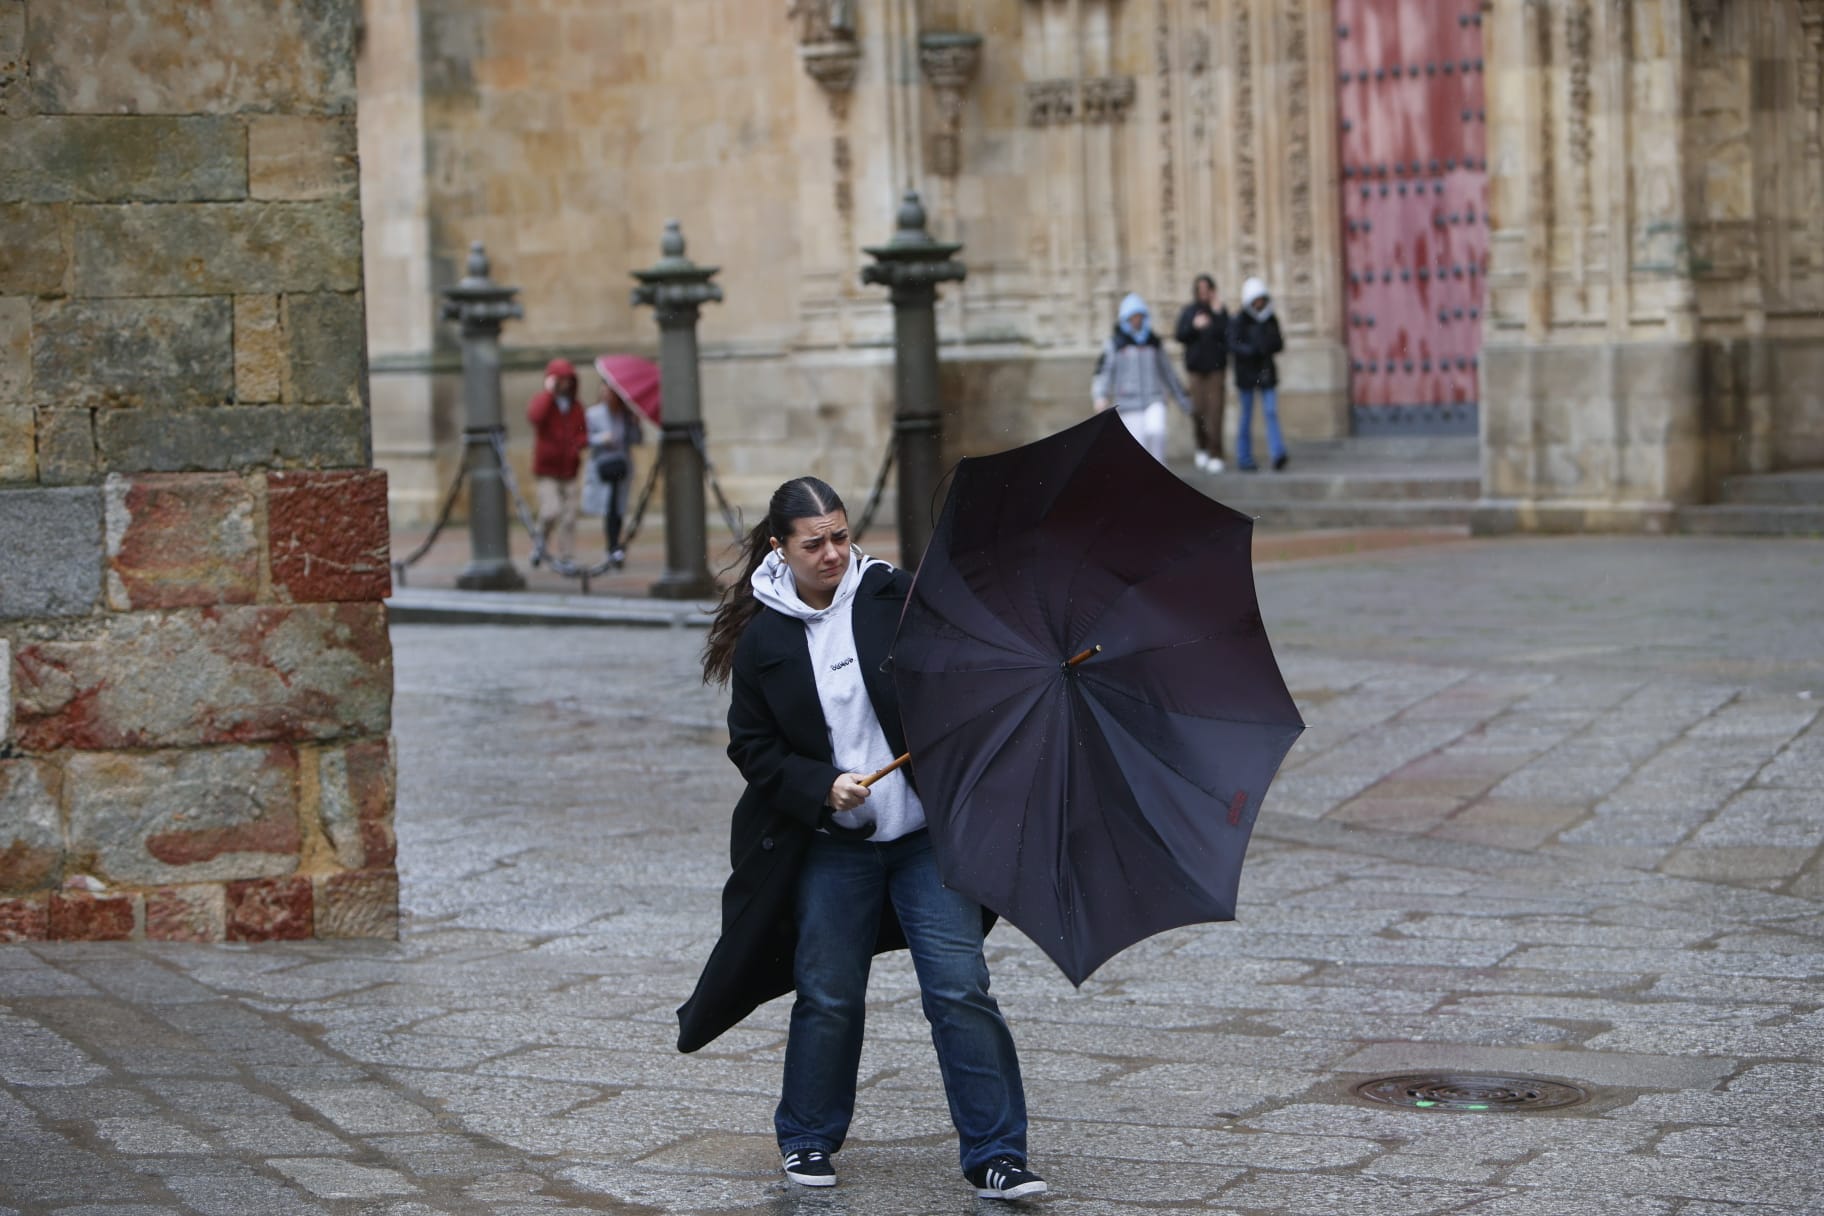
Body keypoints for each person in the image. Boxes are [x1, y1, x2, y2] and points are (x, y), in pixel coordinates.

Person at [680, 477, 1044, 1203]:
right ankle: (808, 1136)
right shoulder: (764, 637)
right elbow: (752, 748)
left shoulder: (892, 596)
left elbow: (961, 672)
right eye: (813, 542)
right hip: (831, 842)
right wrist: (822, 785)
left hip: (921, 836)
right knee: (829, 991)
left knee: (960, 987)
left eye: (841, 536)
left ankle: (997, 1154)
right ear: (780, 548)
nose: (833, 554)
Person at [1092, 292, 1192, 465]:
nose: (1136, 321)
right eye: (1133, 317)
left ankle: (1161, 472)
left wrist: (1183, 399)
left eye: (1139, 316)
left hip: (1154, 399)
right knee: (1138, 444)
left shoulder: (1153, 343)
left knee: (1156, 431)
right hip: (1128, 403)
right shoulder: (1116, 344)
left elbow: (1168, 372)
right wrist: (1100, 395)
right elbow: (1104, 371)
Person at [526, 357, 590, 563]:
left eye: (568, 380)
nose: (566, 384)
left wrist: (578, 443)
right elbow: (535, 418)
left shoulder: (576, 407)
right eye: (561, 380)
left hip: (569, 469)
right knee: (550, 511)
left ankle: (567, 555)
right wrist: (549, 393)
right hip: (547, 470)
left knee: (570, 516)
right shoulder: (543, 402)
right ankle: (539, 546)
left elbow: (582, 432)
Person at [582, 376, 643, 568]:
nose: (607, 395)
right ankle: (612, 546)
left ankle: (616, 547)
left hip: (622, 466)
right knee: (609, 507)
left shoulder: (625, 415)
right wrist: (602, 439)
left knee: (618, 508)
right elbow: (585, 439)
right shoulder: (593, 414)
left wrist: (635, 423)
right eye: (604, 391)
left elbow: (636, 440)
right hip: (603, 465)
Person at [1229, 277, 1288, 472]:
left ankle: (1277, 453)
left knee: (1271, 412)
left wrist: (1267, 345)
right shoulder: (1240, 320)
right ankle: (1244, 457)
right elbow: (1233, 345)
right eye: (1256, 299)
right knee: (1246, 415)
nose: (1259, 303)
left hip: (1265, 371)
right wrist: (1251, 350)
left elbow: (1279, 343)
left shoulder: (1270, 319)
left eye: (1261, 298)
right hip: (1247, 373)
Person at [1174, 274, 1231, 472]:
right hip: (1196, 370)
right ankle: (1202, 447)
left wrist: (1217, 314)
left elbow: (1228, 335)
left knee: (1215, 412)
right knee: (1198, 411)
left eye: (1208, 289)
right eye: (1201, 289)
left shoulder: (1220, 311)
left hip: (1216, 369)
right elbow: (1180, 334)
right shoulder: (1190, 312)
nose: (1204, 293)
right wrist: (1194, 326)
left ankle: (1216, 452)